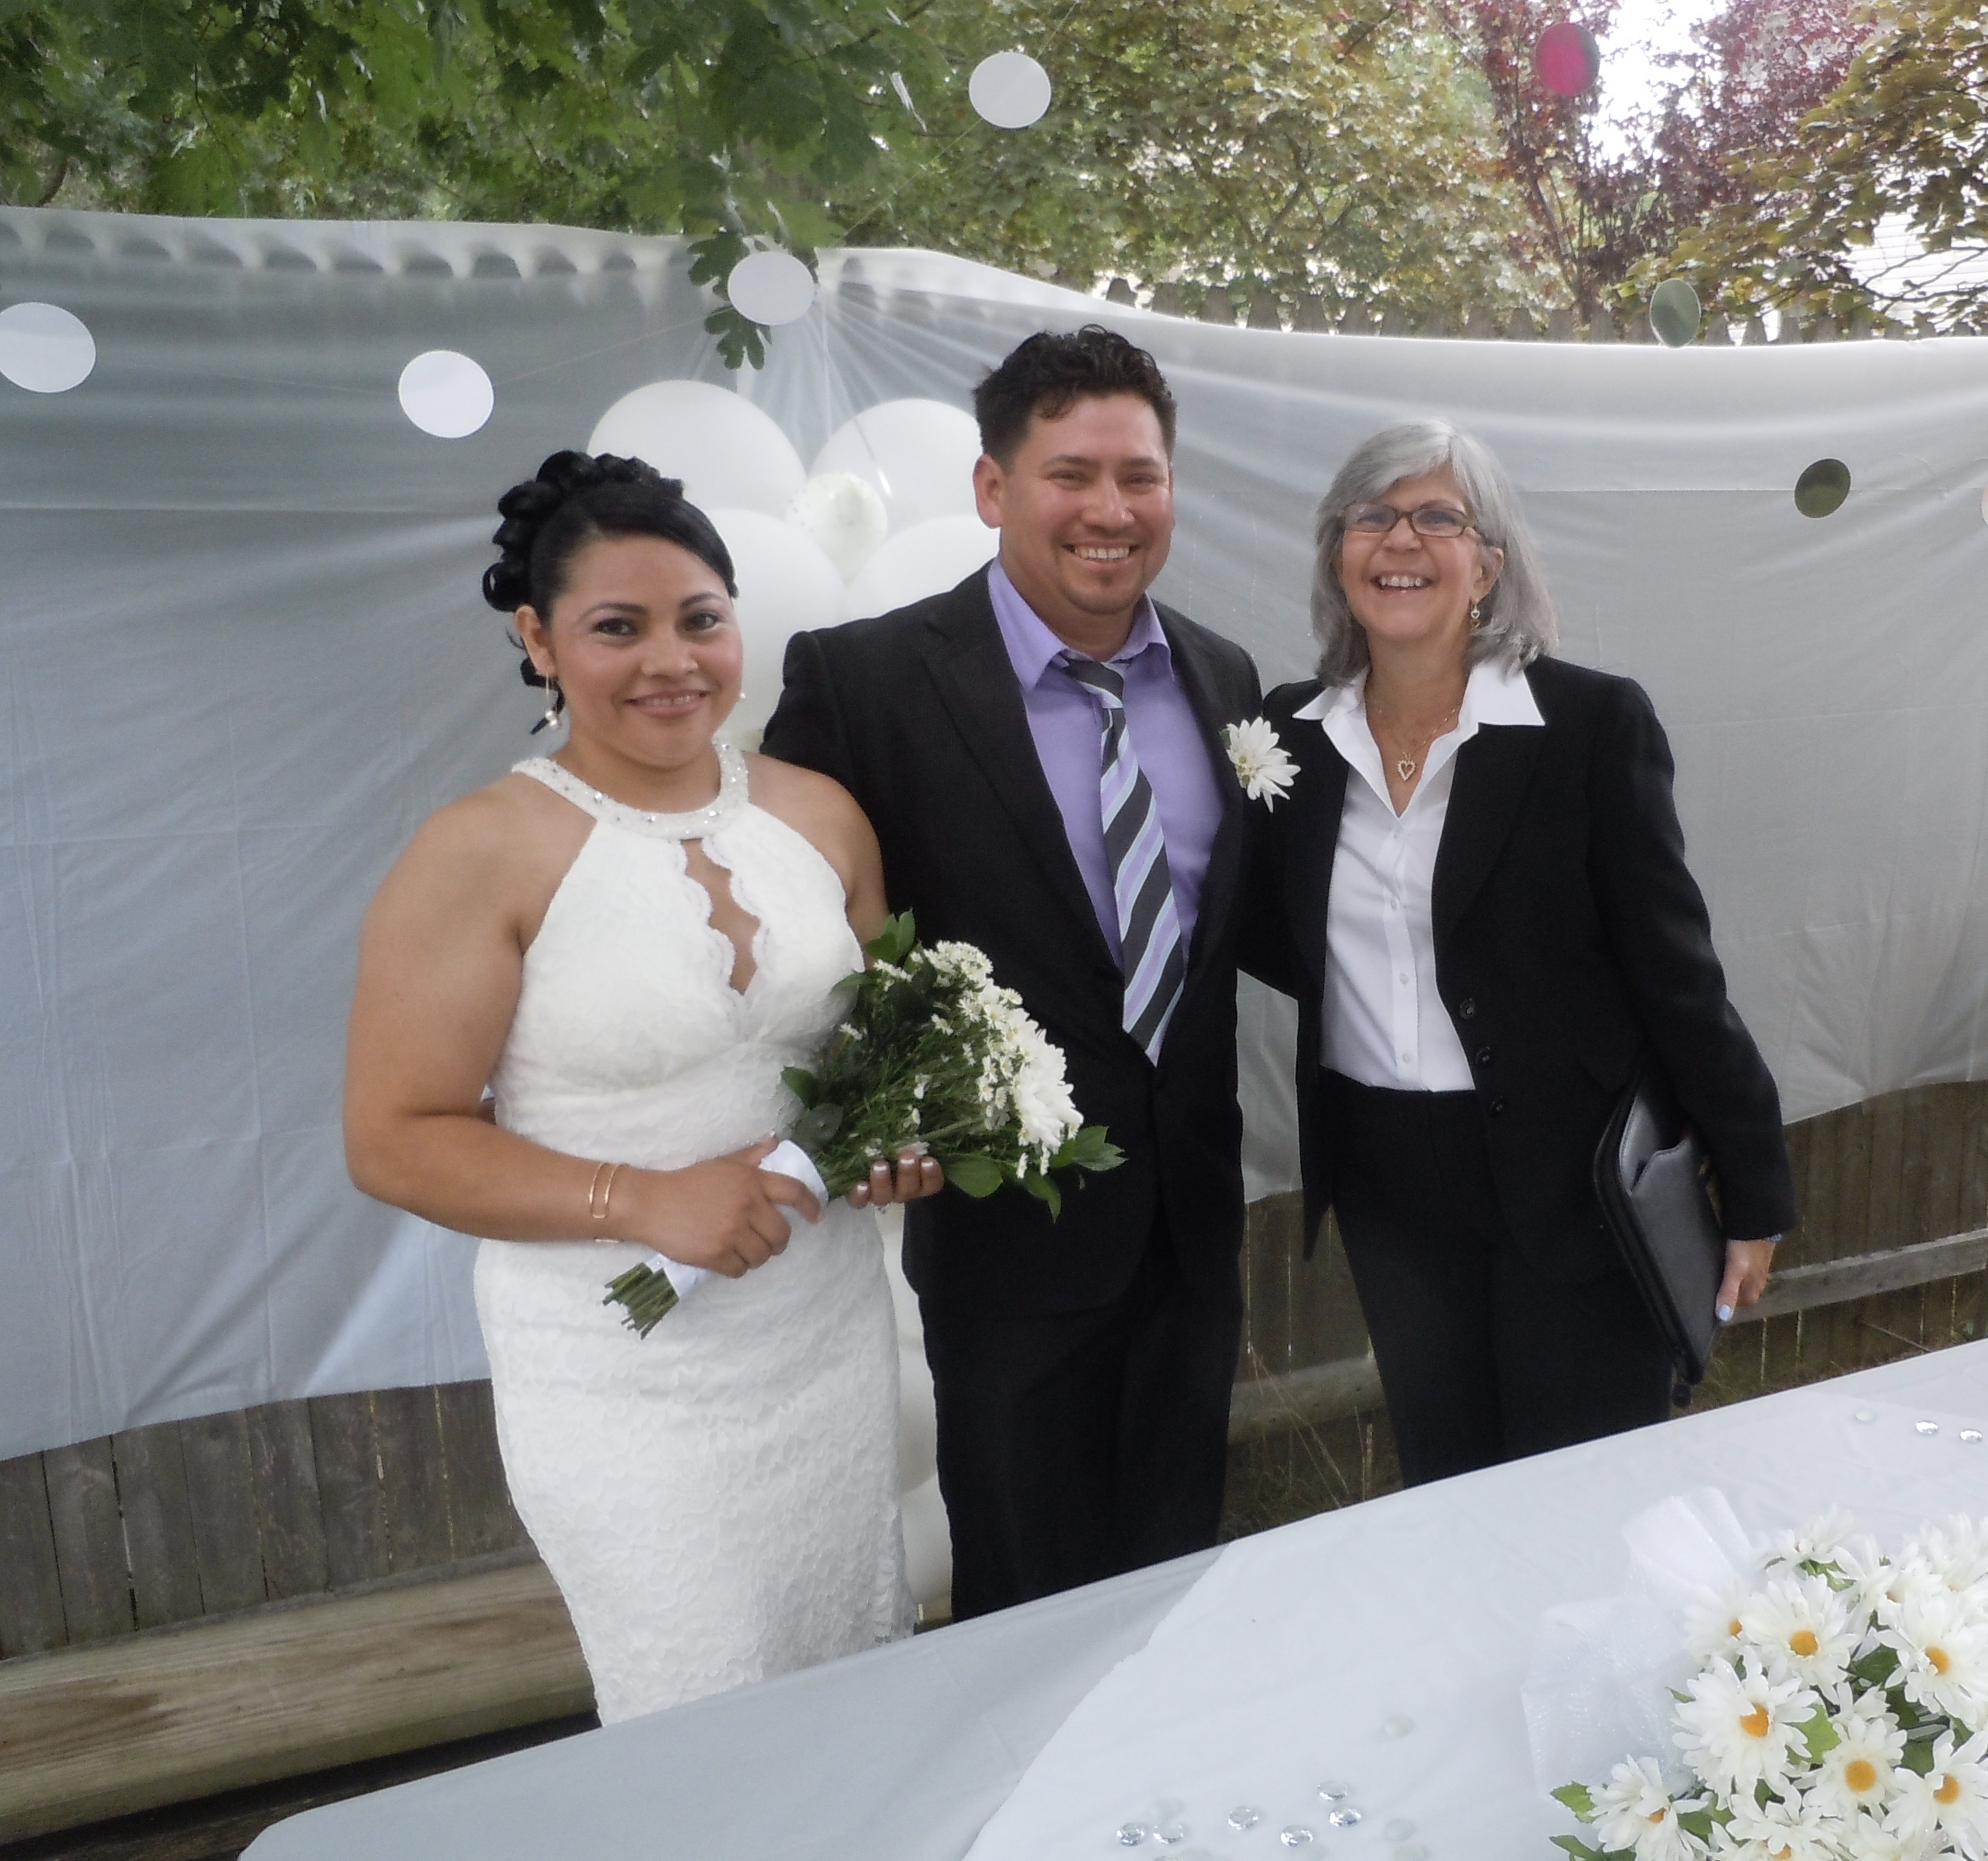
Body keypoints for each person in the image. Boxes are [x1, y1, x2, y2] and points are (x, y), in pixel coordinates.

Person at [343, 451, 943, 1721]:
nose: (671, 661)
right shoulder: (479, 851)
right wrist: (640, 1198)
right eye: (618, 627)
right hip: (624, 1366)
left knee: (851, 1664)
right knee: (703, 1699)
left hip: (821, 1338)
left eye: (700, 619)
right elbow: (393, 1138)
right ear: (538, 639)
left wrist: (898, 1131)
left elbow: (873, 1049)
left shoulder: (821, 815)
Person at [762, 326, 1264, 1619]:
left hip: (1190, 1239)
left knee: (1173, 1594)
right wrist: (859, 1104)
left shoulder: (1223, 677)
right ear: (993, 488)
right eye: (1071, 474)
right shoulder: (862, 682)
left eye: (1140, 475)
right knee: (1024, 1612)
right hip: (1006, 1250)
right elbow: (790, 942)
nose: (1111, 509)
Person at [1247, 418, 1797, 1486]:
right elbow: (1281, 930)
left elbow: (1675, 971)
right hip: (1387, 1181)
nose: (1400, 540)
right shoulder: (1290, 734)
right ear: (1337, 551)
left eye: (1437, 517)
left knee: (1579, 1492)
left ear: (1488, 565)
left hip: (1569, 1177)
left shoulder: (1588, 725)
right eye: (1372, 515)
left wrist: (1754, 1184)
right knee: (1447, 1482)